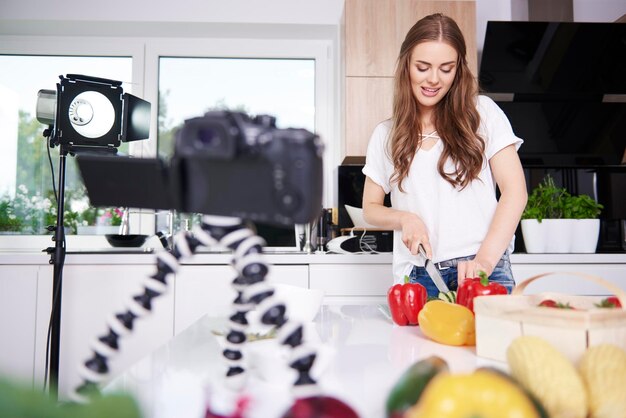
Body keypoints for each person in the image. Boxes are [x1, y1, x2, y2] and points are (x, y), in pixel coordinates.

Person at [361, 13, 528, 297]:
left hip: (483, 268)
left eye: (446, 68)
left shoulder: (483, 114)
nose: (433, 79)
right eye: (422, 67)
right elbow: (370, 209)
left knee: (489, 343)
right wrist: (405, 218)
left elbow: (515, 192)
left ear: (459, 70)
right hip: (419, 275)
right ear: (406, 66)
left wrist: (484, 262)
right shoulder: (386, 135)